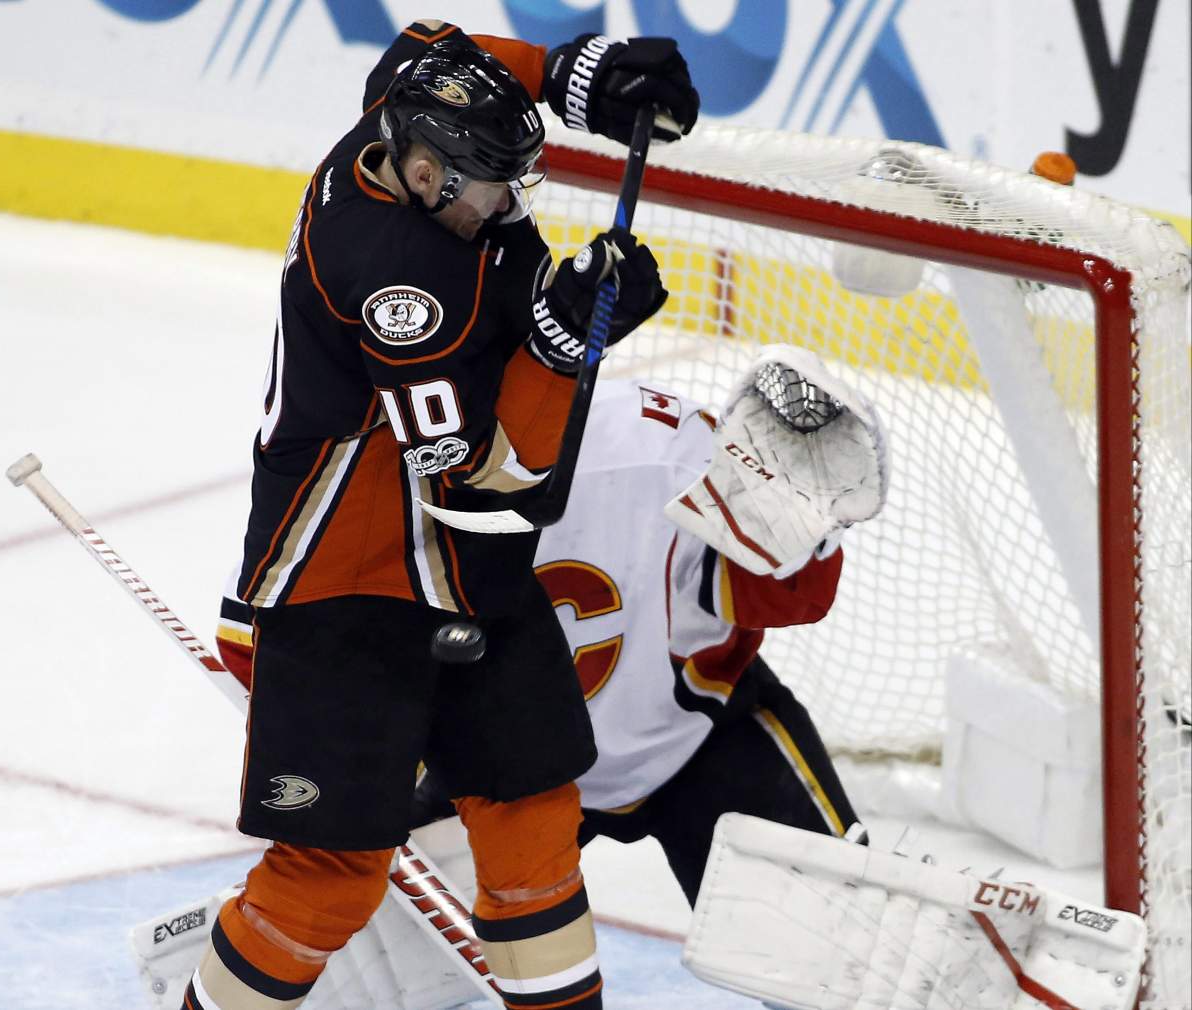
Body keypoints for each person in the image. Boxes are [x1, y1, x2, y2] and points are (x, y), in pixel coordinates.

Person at [186, 18, 698, 1010]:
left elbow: (438, 47)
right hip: (348, 581)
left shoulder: (404, 113)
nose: (508, 206)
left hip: (466, 573)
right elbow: (479, 476)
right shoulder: (398, 285)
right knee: (333, 873)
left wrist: (569, 72)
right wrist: (559, 345)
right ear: (424, 177)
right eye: (489, 188)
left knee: (531, 820)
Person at [195, 356, 880, 1008]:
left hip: (700, 742)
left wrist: (802, 527)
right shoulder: (383, 482)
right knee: (345, 933)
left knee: (839, 969)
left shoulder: (668, 455)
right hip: (499, 761)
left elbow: (786, 599)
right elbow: (261, 639)